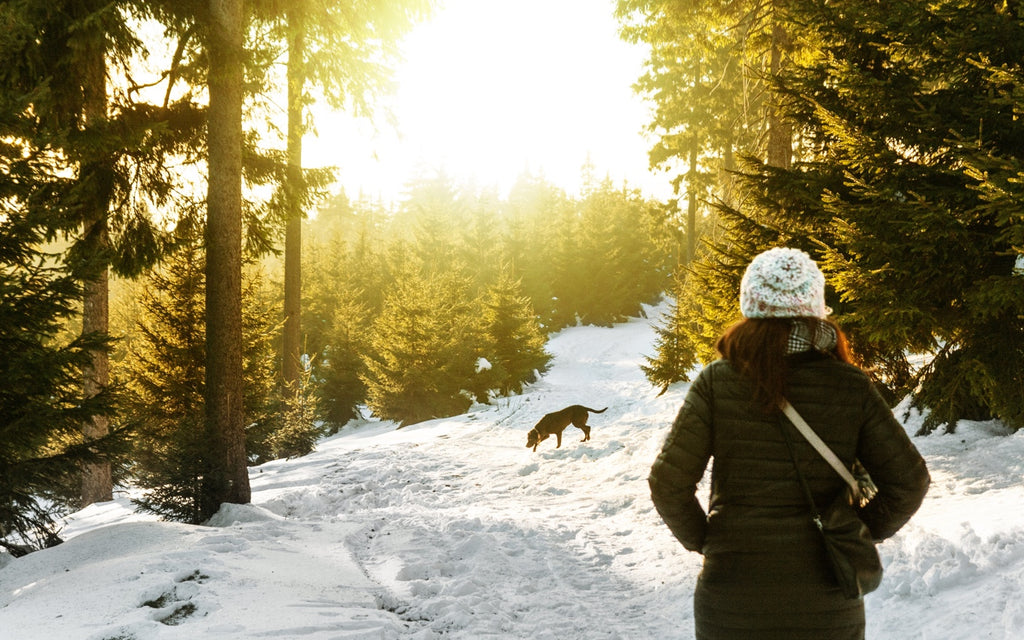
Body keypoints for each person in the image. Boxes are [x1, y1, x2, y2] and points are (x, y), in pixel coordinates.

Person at [649, 247, 930, 640]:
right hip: (827, 599)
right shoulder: (850, 386)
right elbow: (909, 482)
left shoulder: (717, 381)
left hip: (732, 597)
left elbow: (667, 483)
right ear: (815, 308)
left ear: (751, 305)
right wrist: (855, 531)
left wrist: (709, 541)